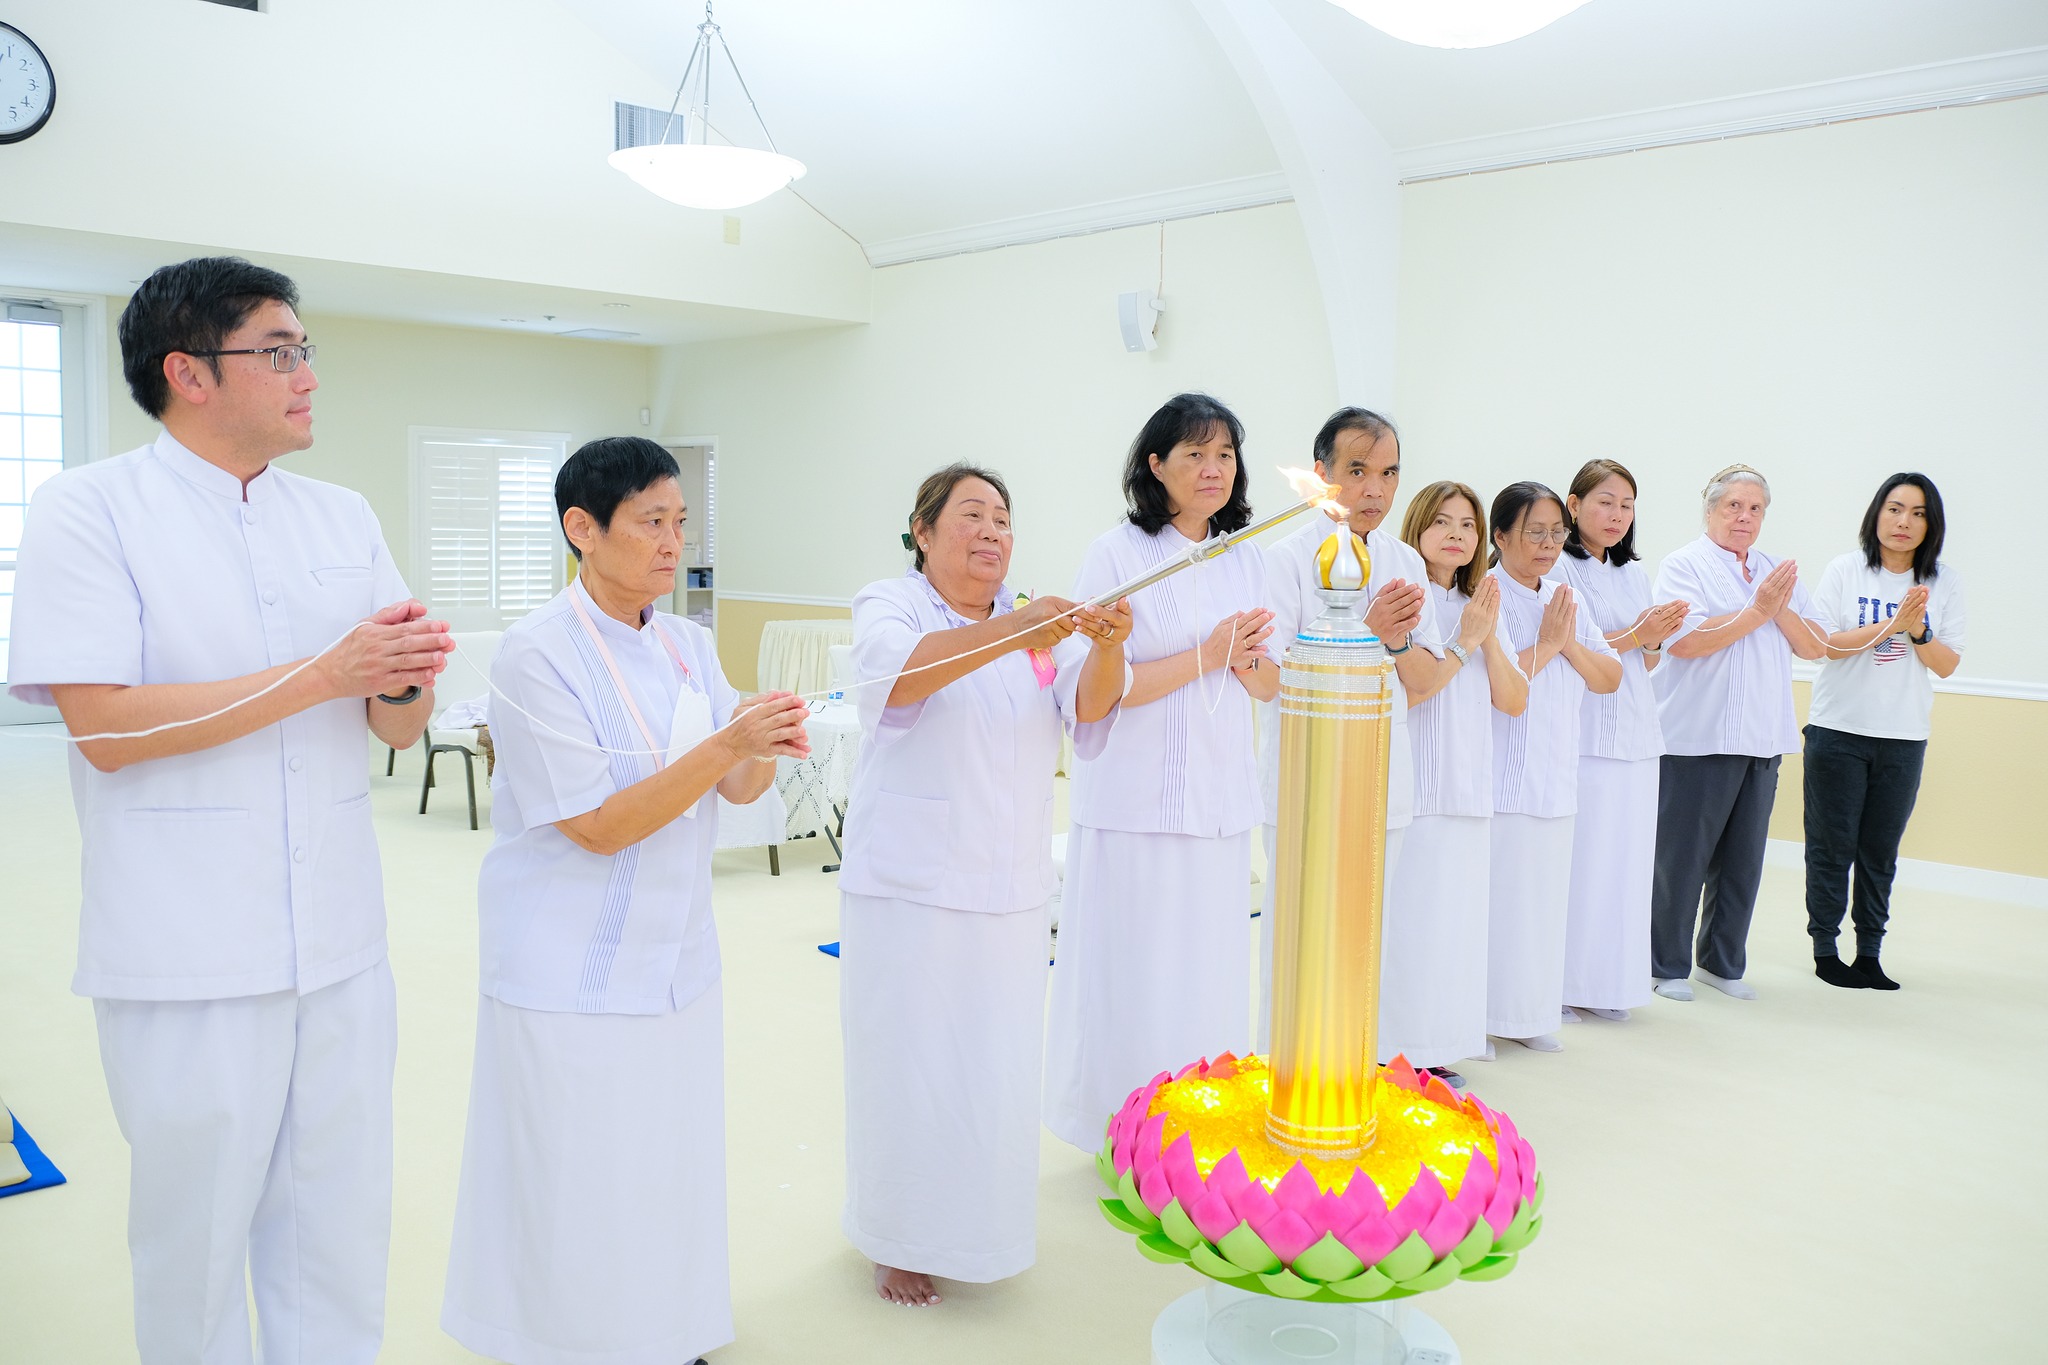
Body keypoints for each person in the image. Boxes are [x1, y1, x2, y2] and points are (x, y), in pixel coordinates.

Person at [7, 256, 453, 1365]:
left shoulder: (339, 516)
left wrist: (400, 676)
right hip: (188, 952)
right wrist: (323, 673)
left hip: (342, 945)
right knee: (195, 1244)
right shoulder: (89, 510)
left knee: (338, 1232)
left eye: (307, 350)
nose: (308, 374)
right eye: (280, 350)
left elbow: (397, 729)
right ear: (187, 373)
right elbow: (105, 730)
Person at [441, 437, 808, 1365]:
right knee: (575, 1170)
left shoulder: (684, 640)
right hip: (567, 964)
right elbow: (598, 825)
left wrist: (763, 735)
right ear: (583, 529)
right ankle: (572, 1342)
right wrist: (729, 745)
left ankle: (664, 1332)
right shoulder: (535, 655)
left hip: (676, 955)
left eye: (681, 521)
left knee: (664, 1159)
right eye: (652, 521)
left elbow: (741, 790)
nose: (672, 542)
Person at [839, 465, 1131, 1307]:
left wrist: (1104, 643)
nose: (992, 531)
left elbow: (1094, 710)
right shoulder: (890, 606)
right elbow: (896, 683)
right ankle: (896, 1236)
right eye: (970, 514)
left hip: (1006, 886)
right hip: (913, 883)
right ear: (923, 532)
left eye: (1003, 517)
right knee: (910, 1061)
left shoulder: (1033, 621)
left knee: (993, 1064)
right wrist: (1022, 632)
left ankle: (982, 1225)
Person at [1043, 393, 1277, 1152]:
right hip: (1136, 800)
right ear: (1156, 465)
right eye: (1194, 456)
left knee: (1206, 973)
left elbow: (1268, 682)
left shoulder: (1248, 556)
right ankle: (1122, 1129)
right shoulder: (1117, 554)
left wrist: (1247, 658)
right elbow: (1105, 689)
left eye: (1225, 456)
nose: (1213, 471)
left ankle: (1195, 1127)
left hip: (1216, 800)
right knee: (1135, 975)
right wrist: (1211, 652)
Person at [1253, 408, 1455, 1053]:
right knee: (1301, 940)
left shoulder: (1404, 562)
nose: (1376, 489)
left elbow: (1422, 680)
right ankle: (1285, 1071)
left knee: (1369, 938)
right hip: (1306, 781)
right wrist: (1365, 630)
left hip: (1380, 775)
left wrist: (1393, 644)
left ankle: (1356, 1073)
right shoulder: (1283, 559)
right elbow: (1272, 678)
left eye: (1390, 473)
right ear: (1321, 475)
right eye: (1358, 471)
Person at [1650, 465, 1828, 1001]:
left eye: (1755, 509)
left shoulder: (1776, 570)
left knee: (1743, 860)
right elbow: (1685, 641)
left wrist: (1774, 610)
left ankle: (1722, 964)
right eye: (1733, 507)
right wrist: (1760, 611)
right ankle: (1664, 964)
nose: (1744, 518)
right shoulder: (1683, 564)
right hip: (1698, 735)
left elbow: (1816, 643)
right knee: (1681, 858)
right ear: (1710, 511)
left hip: (1763, 735)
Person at [1387, 481, 1527, 1085]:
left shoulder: (1482, 610)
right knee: (1411, 923)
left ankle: (1437, 1045)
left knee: (1455, 929)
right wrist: (1465, 639)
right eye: (1442, 522)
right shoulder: (1403, 603)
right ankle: (1397, 1047)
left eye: (1468, 526)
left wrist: (1487, 634)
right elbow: (1418, 685)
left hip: (1471, 791)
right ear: (1416, 528)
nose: (1455, 535)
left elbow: (1515, 699)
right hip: (1415, 791)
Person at [1803, 474, 1965, 991]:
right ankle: (1826, 950)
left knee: (1880, 851)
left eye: (1918, 513)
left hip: (1903, 736)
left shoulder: (1943, 582)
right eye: (1896, 509)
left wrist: (1918, 630)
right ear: (1877, 514)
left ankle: (1869, 953)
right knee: (1831, 847)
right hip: (1838, 730)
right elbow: (1827, 643)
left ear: (1930, 525)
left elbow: (1946, 664)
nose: (1904, 522)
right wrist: (1892, 625)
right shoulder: (1846, 570)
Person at [1549, 460, 1689, 1022]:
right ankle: (1563, 986)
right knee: (1585, 866)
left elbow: (1646, 657)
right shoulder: (1557, 565)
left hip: (1636, 732)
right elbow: (1565, 641)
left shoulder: (1633, 572)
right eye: (1605, 501)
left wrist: (1658, 636)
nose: (1616, 515)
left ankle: (1608, 984)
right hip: (1585, 733)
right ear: (1574, 504)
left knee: (1627, 867)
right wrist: (1639, 635)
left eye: (1626, 505)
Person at [1486, 482, 1621, 1053]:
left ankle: (1533, 1014)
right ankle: (1485, 1018)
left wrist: (1564, 644)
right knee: (1502, 903)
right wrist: (1550, 644)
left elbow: (1608, 676)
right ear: (1500, 537)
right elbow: (1499, 687)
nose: (1547, 543)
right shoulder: (1485, 594)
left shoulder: (1565, 595)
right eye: (1533, 532)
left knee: (1543, 906)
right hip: (1503, 779)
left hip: (1556, 774)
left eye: (1554, 532)